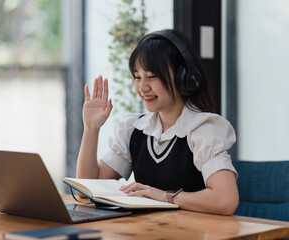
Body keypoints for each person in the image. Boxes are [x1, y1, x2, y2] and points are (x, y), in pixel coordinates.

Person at [76, 29, 239, 215]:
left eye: (152, 76)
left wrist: (164, 196)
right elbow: (86, 191)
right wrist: (91, 129)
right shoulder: (134, 130)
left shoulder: (203, 129)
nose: (142, 87)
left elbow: (225, 200)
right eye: (137, 77)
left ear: (182, 76)